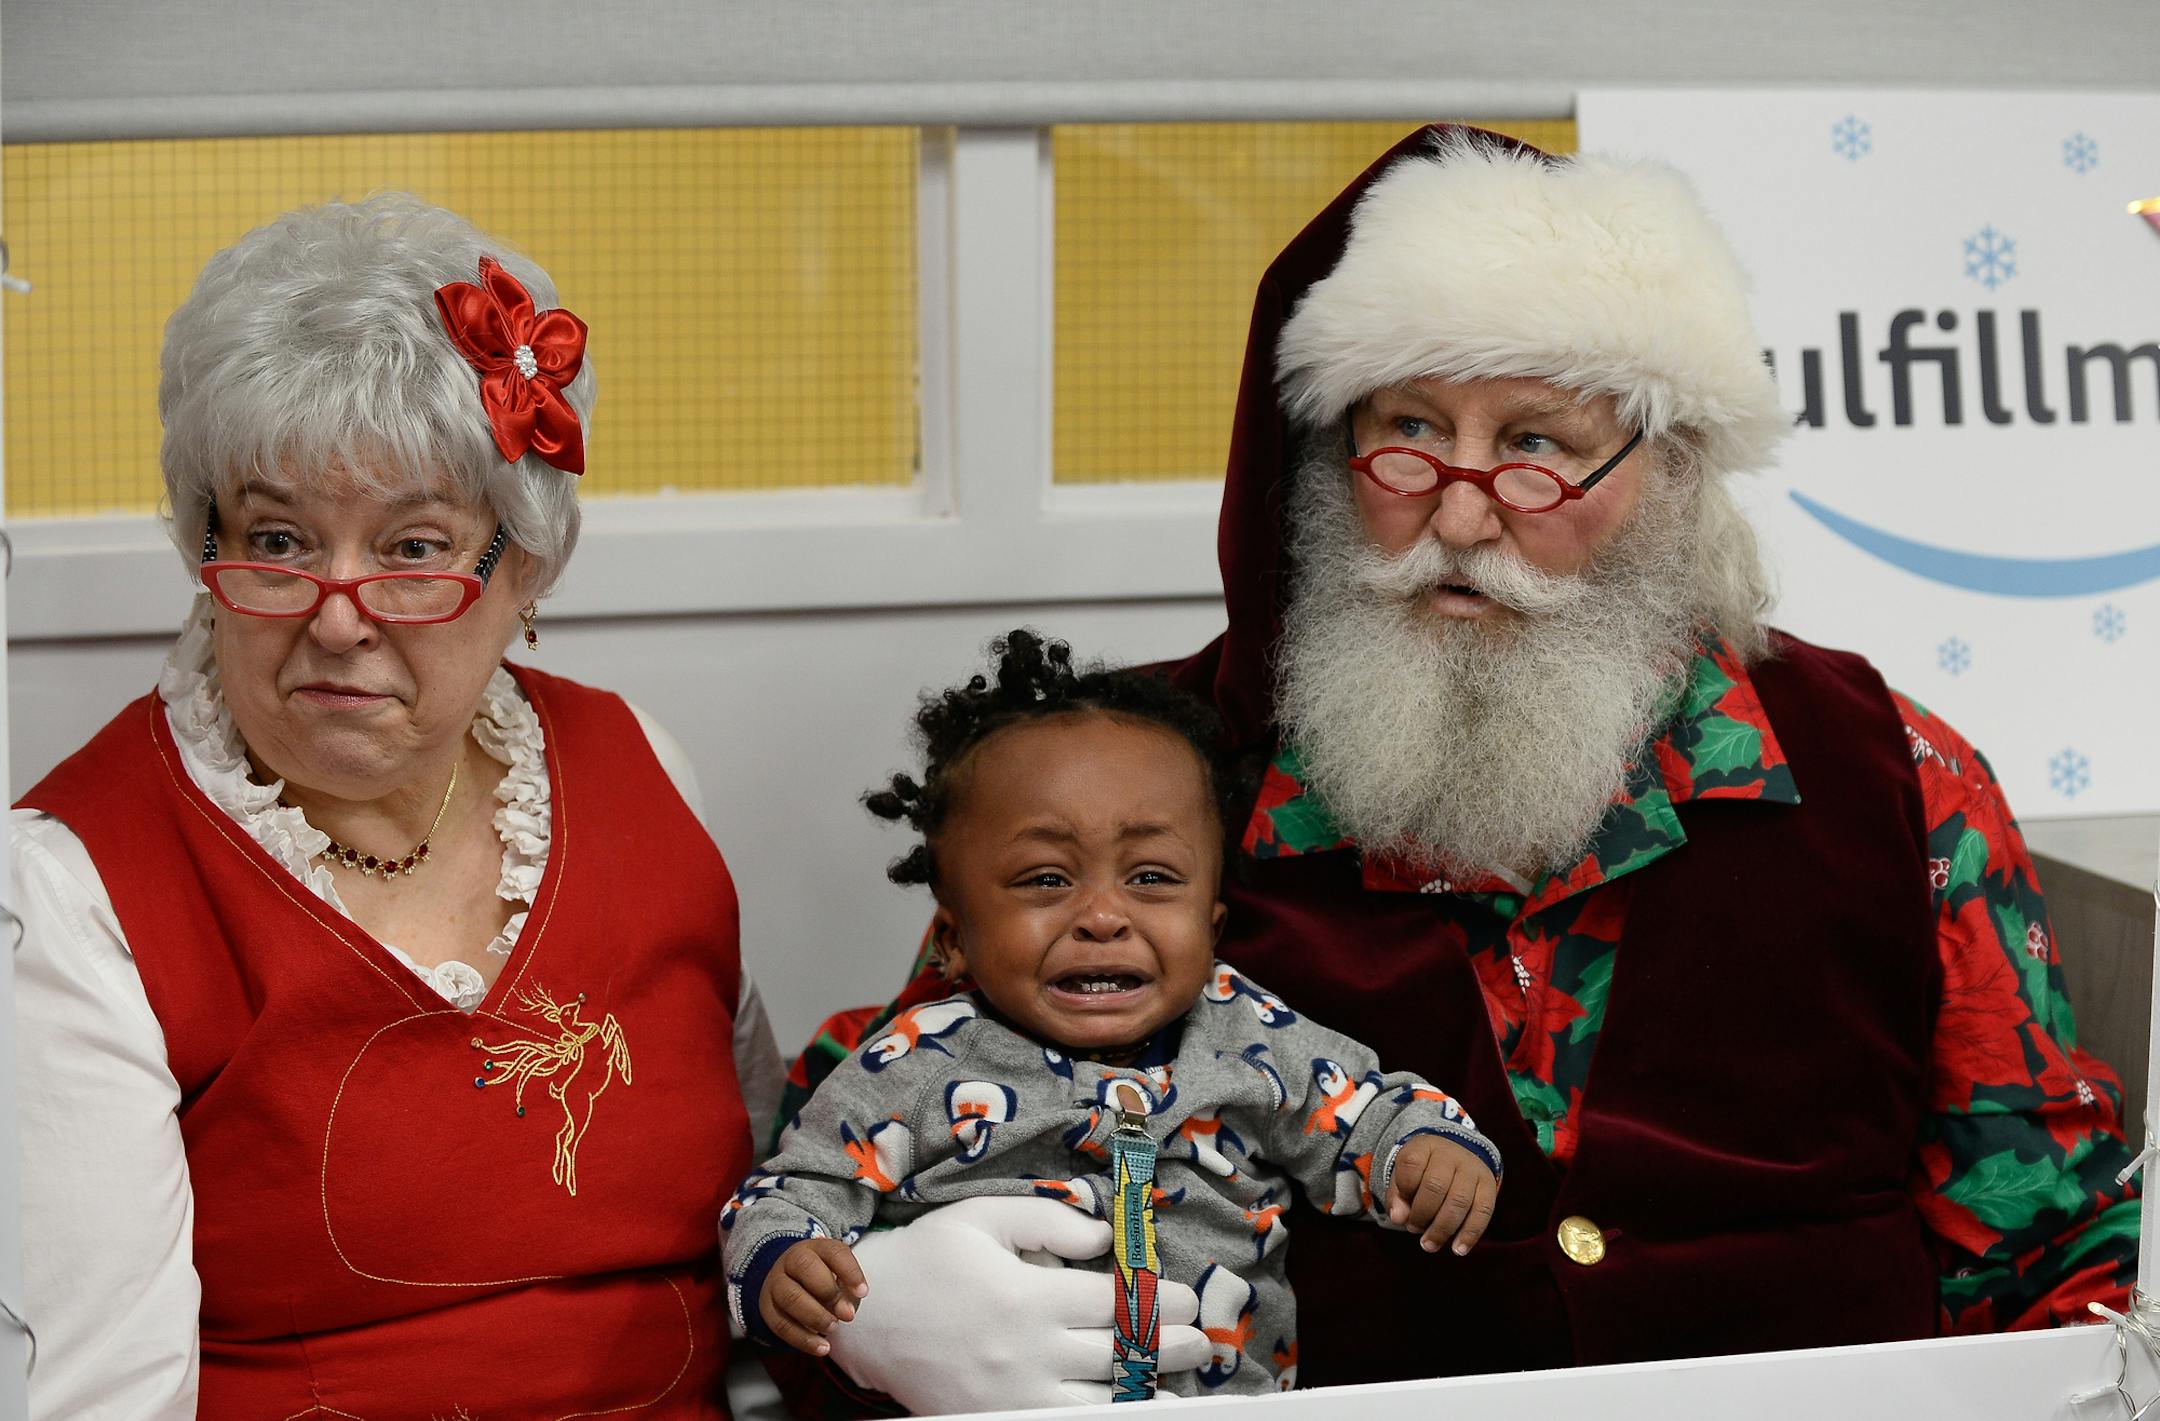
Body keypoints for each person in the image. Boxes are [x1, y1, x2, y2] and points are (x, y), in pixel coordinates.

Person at [781, 126, 2139, 1403]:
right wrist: (859, 1321)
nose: (1464, 503)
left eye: (1537, 442)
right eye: (1409, 432)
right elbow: (881, 1144)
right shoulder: (1128, 774)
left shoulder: (1890, 772)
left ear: (1666, 469)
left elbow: (2040, 1244)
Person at [12, 194, 781, 1418]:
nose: (335, 611)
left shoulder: (642, 767)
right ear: (198, 541)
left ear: (524, 564)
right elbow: (97, 1392)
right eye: (277, 538)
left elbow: (763, 1223)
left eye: (414, 549)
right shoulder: (66, 888)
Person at [723, 632, 1501, 1399]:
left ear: (1213, 926)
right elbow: (787, 1192)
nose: (1102, 915)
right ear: (953, 941)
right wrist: (781, 1260)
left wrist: (1427, 1147)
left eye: (1153, 875)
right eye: (1046, 878)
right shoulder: (919, 1063)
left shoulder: (1247, 1036)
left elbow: (1365, 1112)